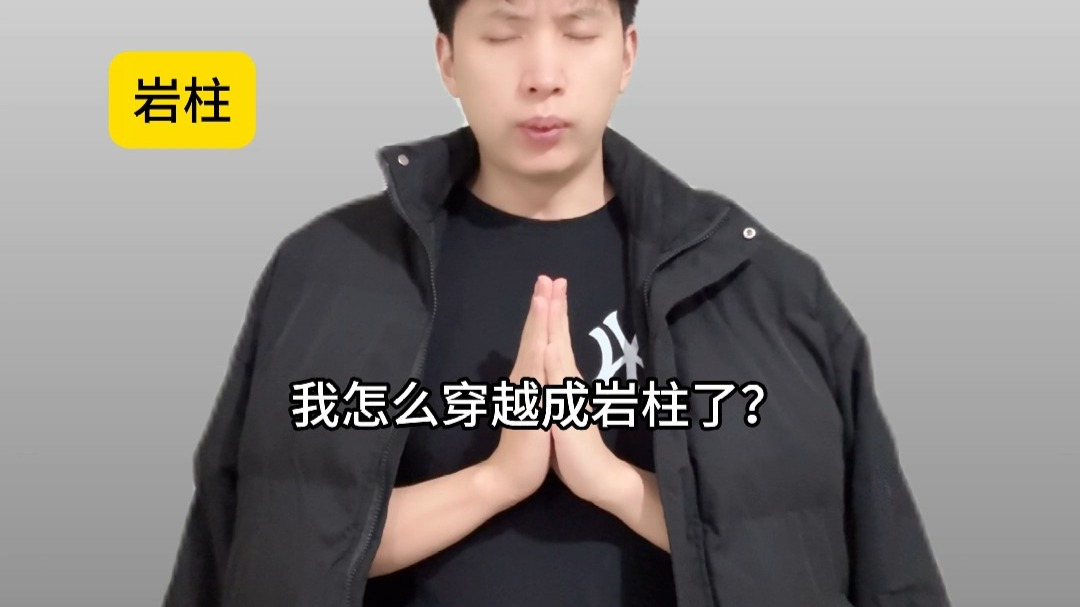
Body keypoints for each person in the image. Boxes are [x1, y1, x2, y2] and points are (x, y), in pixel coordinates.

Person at [162, 1, 952, 606]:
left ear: (627, 53)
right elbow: (258, 546)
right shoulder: (331, 270)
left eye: (578, 31)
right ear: (447, 59)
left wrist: (607, 479)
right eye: (503, 33)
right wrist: (495, 480)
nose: (543, 73)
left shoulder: (764, 286)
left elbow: (847, 558)